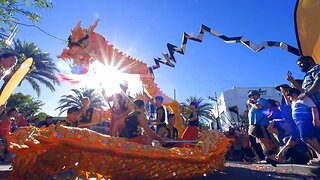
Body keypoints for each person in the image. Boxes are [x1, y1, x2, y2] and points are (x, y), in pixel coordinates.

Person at [287, 87, 320, 165]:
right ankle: (319, 156)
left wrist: (315, 119)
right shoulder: (293, 103)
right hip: (298, 123)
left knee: (305, 138)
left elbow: (313, 107)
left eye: (290, 96)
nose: (289, 98)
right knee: (311, 139)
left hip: (305, 120)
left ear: (294, 94)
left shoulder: (304, 99)